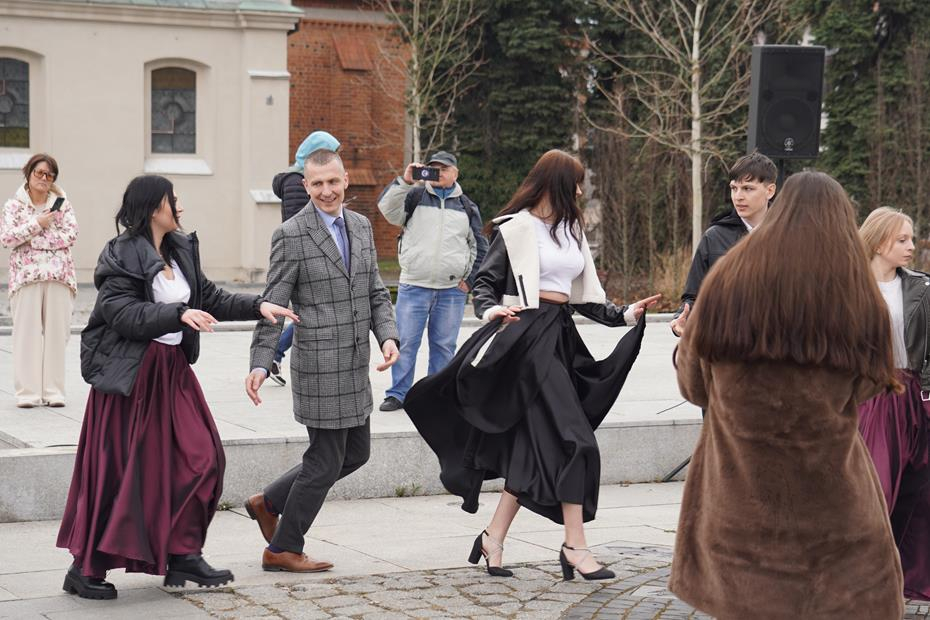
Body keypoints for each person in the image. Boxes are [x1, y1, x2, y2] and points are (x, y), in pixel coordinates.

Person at [403, 150, 659, 580]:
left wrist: (626, 314)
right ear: (556, 183)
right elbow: (485, 283)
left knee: (530, 450)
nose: (580, 192)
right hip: (524, 341)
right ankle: (575, 547)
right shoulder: (517, 228)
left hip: (560, 338)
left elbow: (583, 296)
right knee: (577, 441)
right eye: (575, 183)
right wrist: (490, 310)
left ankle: (493, 538)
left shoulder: (572, 230)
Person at [668, 171, 904, 618]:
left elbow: (694, 386)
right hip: (832, 514)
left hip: (738, 509)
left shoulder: (724, 283)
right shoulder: (859, 299)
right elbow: (870, 385)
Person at [56, 175, 297, 600]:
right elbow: (120, 312)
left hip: (171, 370)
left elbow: (210, 298)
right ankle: (84, 567)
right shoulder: (120, 253)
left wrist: (258, 305)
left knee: (205, 458)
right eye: (174, 199)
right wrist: (176, 314)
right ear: (154, 207)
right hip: (132, 376)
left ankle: (183, 553)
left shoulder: (179, 248)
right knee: (121, 472)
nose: (180, 207)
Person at [244, 149, 399, 573]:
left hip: (354, 364)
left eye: (333, 181)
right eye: (317, 184)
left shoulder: (361, 226)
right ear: (306, 186)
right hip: (319, 366)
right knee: (325, 460)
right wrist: (261, 362)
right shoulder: (291, 234)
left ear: (345, 180)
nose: (326, 191)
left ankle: (268, 502)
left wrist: (387, 336)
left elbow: (374, 290)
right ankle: (283, 547)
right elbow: (274, 303)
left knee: (357, 453)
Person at [376, 151, 488, 412]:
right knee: (406, 343)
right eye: (433, 168)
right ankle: (398, 394)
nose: (438, 173)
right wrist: (405, 181)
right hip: (414, 285)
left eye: (443, 169)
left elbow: (480, 247)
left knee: (444, 346)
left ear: (455, 173)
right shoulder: (414, 196)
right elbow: (387, 210)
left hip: (451, 291)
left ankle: (436, 395)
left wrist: (470, 281)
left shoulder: (467, 207)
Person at [858, 206, 930, 601]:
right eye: (902, 239)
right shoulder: (848, 287)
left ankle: (908, 579)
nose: (911, 246)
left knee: (918, 493)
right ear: (878, 241)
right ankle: (864, 581)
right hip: (871, 398)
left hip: (915, 396)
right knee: (875, 491)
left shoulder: (921, 288)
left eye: (911, 238)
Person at [670, 151, 776, 336]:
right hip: (726, 345)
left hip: (776, 347)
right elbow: (693, 297)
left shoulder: (789, 236)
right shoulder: (714, 237)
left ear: (770, 191)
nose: (738, 196)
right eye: (734, 188)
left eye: (748, 188)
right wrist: (683, 319)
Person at [0, 153, 78, 408]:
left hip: (59, 276)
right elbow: (7, 238)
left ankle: (53, 392)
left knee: (57, 335)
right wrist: (37, 224)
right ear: (29, 173)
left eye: (49, 175)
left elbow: (70, 235)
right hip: (26, 278)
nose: (44, 178)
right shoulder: (13, 206)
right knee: (26, 336)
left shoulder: (62, 205)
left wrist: (31, 239)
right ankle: (28, 393)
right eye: (40, 173)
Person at [267, 130, 341, 386]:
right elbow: (299, 220)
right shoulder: (295, 181)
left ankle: (275, 355)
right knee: (306, 313)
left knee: (307, 313)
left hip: (310, 253)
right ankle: (273, 354)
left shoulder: (298, 179)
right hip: (304, 256)